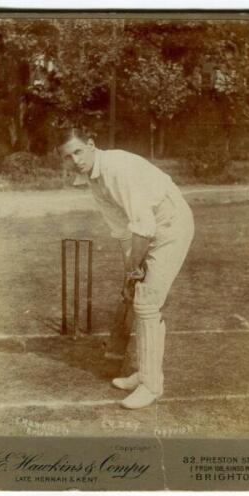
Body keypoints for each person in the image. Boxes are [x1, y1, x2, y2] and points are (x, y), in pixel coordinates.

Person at [56, 127, 194, 409]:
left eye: (79, 151)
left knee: (146, 304)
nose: (76, 160)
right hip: (149, 230)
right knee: (139, 298)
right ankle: (144, 373)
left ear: (92, 145)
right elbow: (122, 231)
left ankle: (151, 386)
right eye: (68, 156)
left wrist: (135, 269)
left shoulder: (117, 169)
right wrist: (129, 272)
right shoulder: (94, 180)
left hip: (171, 228)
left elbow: (144, 227)